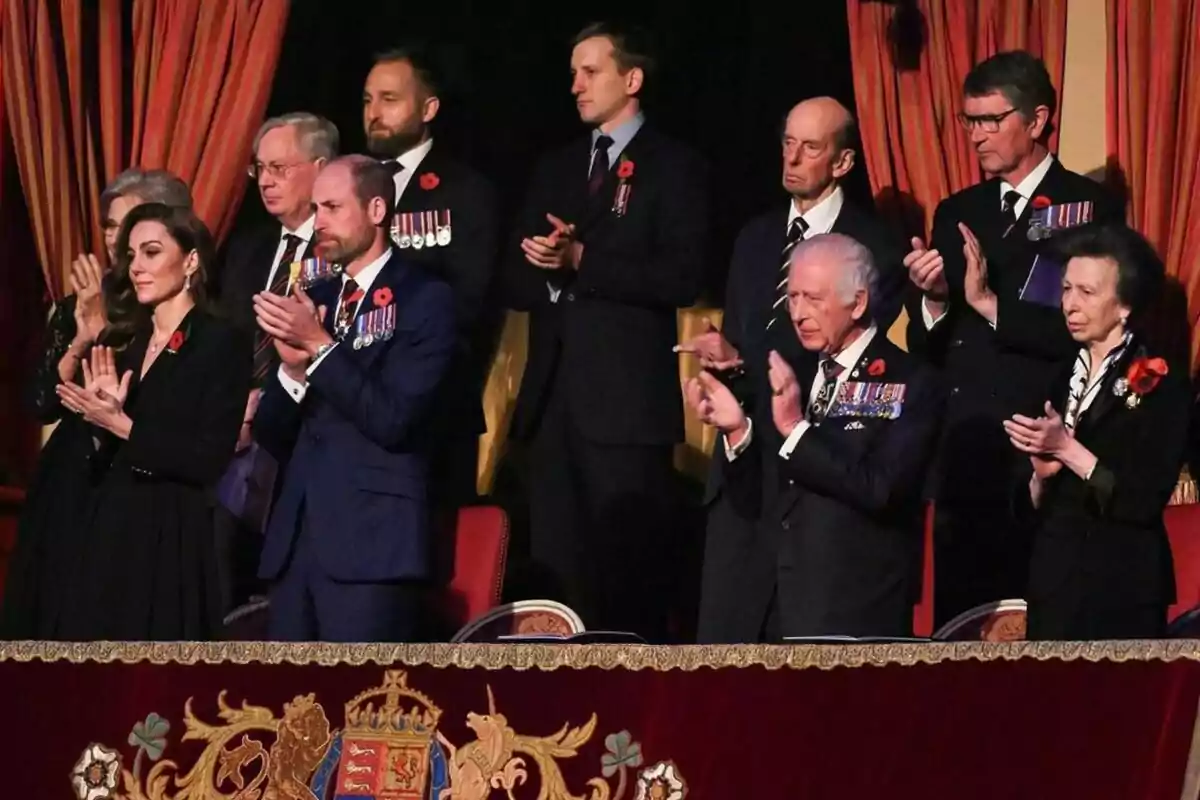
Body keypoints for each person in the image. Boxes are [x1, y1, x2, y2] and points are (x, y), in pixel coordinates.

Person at [901, 51, 1122, 624]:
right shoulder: (958, 210)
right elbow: (929, 349)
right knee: (962, 633)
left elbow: (1088, 330)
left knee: (1037, 632)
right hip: (966, 448)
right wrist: (933, 299)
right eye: (969, 121)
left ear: (1038, 119)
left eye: (991, 120)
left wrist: (989, 305)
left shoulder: (1086, 208)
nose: (976, 136)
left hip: (1038, 443)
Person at [504, 22, 709, 640]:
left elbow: (681, 276)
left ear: (632, 79)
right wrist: (543, 264)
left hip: (625, 409)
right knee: (557, 581)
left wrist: (584, 261)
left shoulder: (676, 167)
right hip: (551, 404)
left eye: (590, 72)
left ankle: (630, 721)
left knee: (627, 581)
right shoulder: (557, 166)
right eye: (572, 73)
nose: (576, 86)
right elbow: (513, 275)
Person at [676, 97, 906, 642]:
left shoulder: (874, 248)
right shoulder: (755, 239)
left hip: (814, 482)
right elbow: (739, 339)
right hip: (741, 476)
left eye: (811, 147)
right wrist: (726, 361)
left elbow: (856, 364)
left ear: (843, 162)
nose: (793, 158)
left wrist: (753, 370)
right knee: (725, 654)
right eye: (787, 143)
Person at [684, 234, 943, 638]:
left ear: (857, 303)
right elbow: (760, 497)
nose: (799, 313)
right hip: (771, 604)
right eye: (792, 298)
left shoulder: (910, 381)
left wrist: (796, 430)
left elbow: (881, 489)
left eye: (814, 299)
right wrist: (738, 432)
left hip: (852, 609)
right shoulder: (791, 371)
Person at [18, 203, 249, 639]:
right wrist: (99, 422)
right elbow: (87, 444)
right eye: (131, 255)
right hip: (109, 525)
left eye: (152, 252)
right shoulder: (128, 341)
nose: (136, 267)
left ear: (191, 260)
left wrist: (121, 424)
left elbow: (208, 458)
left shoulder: (220, 342)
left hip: (170, 533)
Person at [252, 155, 456, 642]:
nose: (318, 221)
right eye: (315, 208)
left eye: (332, 207)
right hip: (296, 541)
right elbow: (272, 433)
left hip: (371, 543)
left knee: (363, 706)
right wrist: (292, 370)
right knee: (285, 707)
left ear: (377, 209)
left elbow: (394, 419)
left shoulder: (425, 299)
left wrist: (321, 348)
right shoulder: (314, 298)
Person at [1, 170, 193, 639]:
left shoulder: (179, 309)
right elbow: (42, 402)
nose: (114, 238)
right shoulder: (81, 304)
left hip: (134, 480)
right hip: (69, 477)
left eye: (128, 226)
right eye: (109, 225)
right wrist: (83, 338)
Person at [1003, 224, 1188, 640]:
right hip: (1054, 581)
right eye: (1066, 289)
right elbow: (1025, 505)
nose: (1070, 304)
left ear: (1124, 305)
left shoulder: (1162, 381)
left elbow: (1142, 500)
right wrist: (1039, 477)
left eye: (1086, 293)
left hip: (1123, 585)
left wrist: (1069, 450)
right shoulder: (1055, 378)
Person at [364, 45, 501, 508]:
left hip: (431, 404)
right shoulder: (350, 186)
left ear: (428, 108)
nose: (374, 113)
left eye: (389, 99)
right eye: (367, 101)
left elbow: (469, 301)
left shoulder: (465, 191)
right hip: (352, 403)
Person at [213, 112, 337, 615]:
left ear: (321, 168)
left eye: (279, 168)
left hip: (305, 434)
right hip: (234, 438)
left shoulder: (340, 249)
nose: (265, 180)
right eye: (259, 169)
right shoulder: (248, 249)